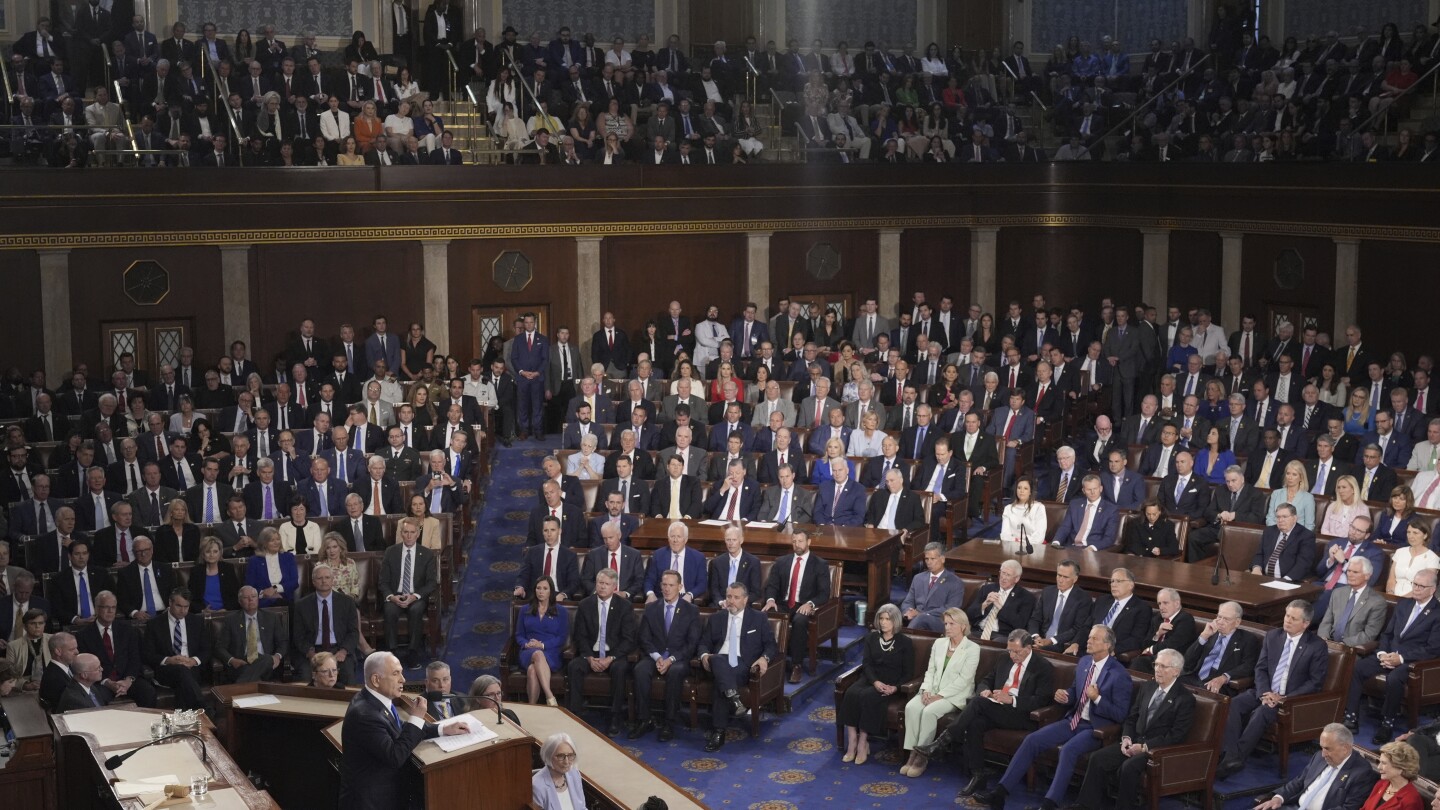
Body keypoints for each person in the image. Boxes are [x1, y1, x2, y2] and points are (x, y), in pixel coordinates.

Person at [977, 625, 1133, 810]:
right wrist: (1066, 695)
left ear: (1107, 645)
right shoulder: (1084, 662)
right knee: (1032, 740)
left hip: (1096, 728)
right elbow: (1076, 692)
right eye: (1089, 637)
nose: (1088, 641)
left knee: (1067, 750)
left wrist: (1097, 698)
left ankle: (1049, 804)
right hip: (1073, 720)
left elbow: (1120, 714)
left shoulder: (1119, 675)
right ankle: (1000, 794)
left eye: (1094, 639)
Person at [339, 652, 471, 810]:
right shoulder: (365, 715)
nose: (403, 679)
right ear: (376, 680)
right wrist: (416, 718)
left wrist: (442, 728)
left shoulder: (373, 699)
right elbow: (395, 756)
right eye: (396, 674)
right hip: (372, 803)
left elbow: (398, 727)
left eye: (401, 672)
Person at [1075, 648, 1195, 810]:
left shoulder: (1185, 699)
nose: (1157, 669)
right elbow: (1132, 718)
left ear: (1176, 672)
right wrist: (1126, 738)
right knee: (1098, 758)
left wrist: (1145, 747)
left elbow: (1176, 735)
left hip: (1157, 750)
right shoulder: (1148, 687)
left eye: (1163, 666)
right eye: (1156, 664)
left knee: (1128, 767)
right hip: (1134, 741)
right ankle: (1085, 805)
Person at [1217, 600, 1327, 776]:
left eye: (1293, 618)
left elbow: (1315, 683)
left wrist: (1282, 698)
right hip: (1263, 690)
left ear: (1305, 624)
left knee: (1262, 712)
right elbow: (1260, 668)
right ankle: (1232, 756)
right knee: (1233, 704)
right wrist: (1263, 692)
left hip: (1288, 700)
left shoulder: (1316, 646)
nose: (1287, 620)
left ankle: (1234, 758)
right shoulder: (1273, 636)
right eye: (1286, 615)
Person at [1347, 568, 1440, 743]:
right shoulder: (1404, 604)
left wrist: (1401, 658)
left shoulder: (1437, 613)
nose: (1416, 588)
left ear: (1432, 589)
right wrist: (1383, 653)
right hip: (1389, 653)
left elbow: (1433, 648)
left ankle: (1387, 724)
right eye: (1415, 584)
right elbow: (1387, 634)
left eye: (1421, 586)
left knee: (1395, 678)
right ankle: (1351, 717)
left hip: (1414, 661)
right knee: (1357, 668)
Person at [697, 582, 777, 751]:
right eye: (728, 597)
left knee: (722, 680)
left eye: (736, 597)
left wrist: (764, 658)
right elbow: (703, 644)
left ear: (745, 600)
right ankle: (734, 700)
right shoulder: (717, 618)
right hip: (716, 662)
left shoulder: (758, 618)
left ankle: (719, 730)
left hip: (742, 665)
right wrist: (705, 656)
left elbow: (771, 645)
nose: (731, 601)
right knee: (718, 660)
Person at [901, 608, 979, 778]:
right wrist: (927, 690)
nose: (947, 627)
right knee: (911, 708)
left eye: (952, 624)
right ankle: (912, 753)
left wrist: (940, 696)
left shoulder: (973, 648)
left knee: (929, 712)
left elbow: (964, 680)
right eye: (945, 623)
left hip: (954, 695)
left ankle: (922, 756)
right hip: (932, 689)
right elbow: (930, 671)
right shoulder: (939, 643)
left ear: (963, 626)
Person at [839, 603, 914, 765]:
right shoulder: (871, 637)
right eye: (881, 618)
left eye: (888, 619)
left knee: (867, 696)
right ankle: (852, 739)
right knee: (851, 693)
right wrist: (874, 681)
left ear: (896, 621)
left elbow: (908, 673)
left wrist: (895, 687)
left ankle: (863, 741)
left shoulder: (905, 642)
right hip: (871, 679)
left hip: (890, 683)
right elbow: (866, 664)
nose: (883, 622)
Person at [629, 570, 700, 742]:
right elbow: (644, 638)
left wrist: (671, 659)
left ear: (680, 587)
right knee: (640, 670)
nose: (667, 589)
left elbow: (692, 643)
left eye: (671, 585)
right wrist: (656, 657)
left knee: (675, 672)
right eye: (664, 585)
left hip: (678, 658)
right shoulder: (652, 608)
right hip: (655, 656)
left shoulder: (691, 610)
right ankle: (645, 719)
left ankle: (669, 722)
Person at [566, 567, 637, 734]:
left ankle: (615, 716)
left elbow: (629, 639)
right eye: (600, 583)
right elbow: (580, 636)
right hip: (592, 653)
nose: (602, 587)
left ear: (614, 587)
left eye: (606, 584)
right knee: (574, 666)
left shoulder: (625, 607)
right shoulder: (585, 604)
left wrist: (610, 658)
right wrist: (590, 658)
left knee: (620, 669)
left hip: (615, 655)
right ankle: (575, 714)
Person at [1252, 723, 1378, 810]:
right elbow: (1299, 782)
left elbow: (1348, 808)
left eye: (1327, 749)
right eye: (1321, 747)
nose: (1323, 754)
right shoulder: (1319, 756)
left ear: (1345, 748)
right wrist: (1278, 798)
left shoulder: (1362, 773)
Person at [763, 530, 831, 683]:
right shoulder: (782, 562)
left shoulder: (819, 564)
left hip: (803, 604)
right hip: (783, 603)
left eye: (800, 541)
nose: (797, 544)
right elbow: (772, 586)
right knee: (766, 615)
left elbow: (824, 593)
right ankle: (768, 659)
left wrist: (810, 603)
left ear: (809, 542)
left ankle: (796, 665)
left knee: (800, 621)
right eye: (794, 541)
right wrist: (770, 600)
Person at [381, 518, 438, 667]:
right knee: (389, 610)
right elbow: (383, 582)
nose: (409, 536)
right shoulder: (391, 552)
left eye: (412, 532)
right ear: (401, 533)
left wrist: (414, 596)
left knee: (417, 609)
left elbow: (432, 582)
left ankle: (413, 652)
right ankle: (391, 653)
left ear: (418, 534)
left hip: (416, 595)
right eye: (405, 532)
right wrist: (392, 597)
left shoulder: (426, 554)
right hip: (396, 594)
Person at [141, 587, 210, 710]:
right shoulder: (154, 624)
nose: (183, 611)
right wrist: (169, 660)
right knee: (181, 671)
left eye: (186, 607)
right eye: (179, 606)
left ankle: (182, 722)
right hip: (166, 670)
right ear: (170, 602)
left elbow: (206, 650)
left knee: (183, 682)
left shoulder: (196, 621)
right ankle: (205, 710)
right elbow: (148, 654)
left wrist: (193, 661)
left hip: (192, 669)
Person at [292, 563, 359, 685]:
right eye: (319, 578)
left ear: (333, 580)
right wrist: (310, 652)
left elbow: (353, 632)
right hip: (313, 649)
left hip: (338, 649)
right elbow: (298, 635)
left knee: (348, 674)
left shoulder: (347, 602)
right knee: (305, 676)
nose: (324, 581)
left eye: (327, 577)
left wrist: (343, 651)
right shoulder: (301, 605)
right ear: (313, 582)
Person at [215, 585, 287, 683]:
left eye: (253, 596)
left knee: (267, 659)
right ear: (240, 601)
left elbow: (283, 642)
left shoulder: (271, 618)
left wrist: (277, 656)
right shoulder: (231, 620)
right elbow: (220, 647)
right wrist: (232, 660)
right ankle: (257, 682)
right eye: (246, 597)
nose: (250, 600)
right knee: (264, 662)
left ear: (258, 599)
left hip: (267, 665)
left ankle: (239, 687)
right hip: (241, 664)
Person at [516, 575, 568, 706]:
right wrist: (526, 644)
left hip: (551, 652)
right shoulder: (525, 610)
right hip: (528, 651)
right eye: (538, 588)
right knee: (537, 654)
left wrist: (542, 645)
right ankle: (550, 697)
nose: (541, 591)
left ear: (551, 591)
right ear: (534, 590)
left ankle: (532, 707)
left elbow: (561, 637)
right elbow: (519, 635)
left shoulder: (561, 611)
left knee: (532, 670)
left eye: (545, 588)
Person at [899, 542, 966, 632]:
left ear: (942, 559)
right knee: (889, 611)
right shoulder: (918, 578)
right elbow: (908, 601)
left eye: (932, 559)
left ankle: (906, 640)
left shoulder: (955, 582)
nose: (929, 562)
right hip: (915, 618)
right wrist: (908, 612)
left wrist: (921, 614)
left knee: (921, 618)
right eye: (927, 559)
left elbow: (951, 609)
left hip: (940, 621)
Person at [245, 526, 299, 607]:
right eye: (272, 540)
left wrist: (274, 588)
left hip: (285, 598)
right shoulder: (255, 561)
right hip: (264, 600)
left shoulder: (288, 557)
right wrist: (264, 593)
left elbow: (294, 582)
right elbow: (249, 586)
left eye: (278, 539)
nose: (276, 542)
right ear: (264, 543)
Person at [532, 732, 586, 810]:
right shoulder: (537, 785)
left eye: (570, 755)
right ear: (549, 756)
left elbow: (582, 808)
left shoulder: (574, 774)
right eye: (561, 756)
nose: (566, 762)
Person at [1000, 477, 1046, 547]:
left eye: (1025, 488)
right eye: (1019, 488)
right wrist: (1017, 541)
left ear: (1030, 492)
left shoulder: (1039, 508)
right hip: (1012, 547)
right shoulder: (1008, 509)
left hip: (1033, 547)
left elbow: (1039, 537)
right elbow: (1004, 535)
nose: (1021, 491)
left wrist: (1021, 542)